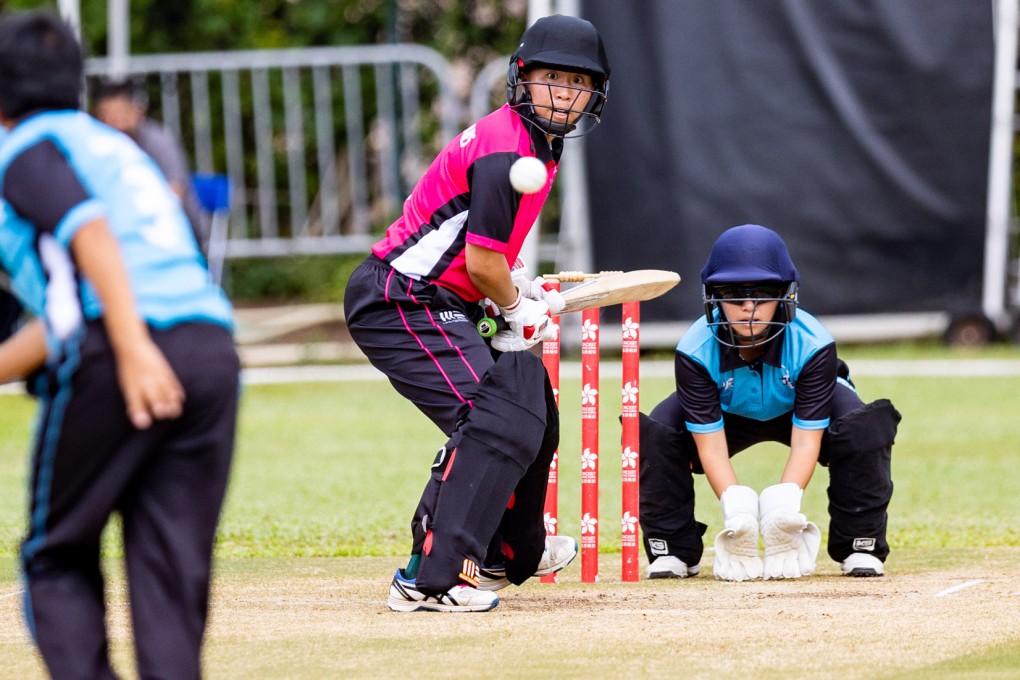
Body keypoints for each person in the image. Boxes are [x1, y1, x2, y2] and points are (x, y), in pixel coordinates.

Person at [344, 14, 611, 612]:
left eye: (578, 82)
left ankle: (504, 552)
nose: (564, 93)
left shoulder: (538, 143)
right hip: (402, 300)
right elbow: (481, 262)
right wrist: (520, 308)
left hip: (445, 299)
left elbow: (489, 252)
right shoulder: (506, 150)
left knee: (532, 404)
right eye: (552, 78)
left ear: (594, 93)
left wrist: (516, 287)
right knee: (495, 418)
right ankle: (428, 578)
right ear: (522, 78)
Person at [0, 12, 238, 679]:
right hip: (211, 349)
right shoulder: (114, 147)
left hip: (124, 347)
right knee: (169, 566)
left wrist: (133, 349)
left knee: (56, 554)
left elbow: (92, 238)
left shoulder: (26, 151)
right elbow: (65, 311)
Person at [638, 224, 900, 582]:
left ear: (785, 294)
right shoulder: (693, 350)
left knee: (865, 424)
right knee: (658, 428)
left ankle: (860, 544)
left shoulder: (814, 343)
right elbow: (710, 447)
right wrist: (738, 511)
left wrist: (783, 510)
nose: (749, 307)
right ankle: (672, 549)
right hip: (727, 413)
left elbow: (807, 439)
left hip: (798, 409)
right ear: (713, 296)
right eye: (733, 294)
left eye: (763, 293)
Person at [91, 77, 206, 250]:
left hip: (171, 232)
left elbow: (174, 194)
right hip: (118, 233)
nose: (113, 122)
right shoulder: (96, 145)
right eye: (105, 116)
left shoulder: (158, 141)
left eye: (120, 114)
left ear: (138, 111)